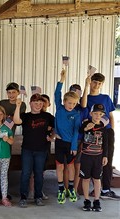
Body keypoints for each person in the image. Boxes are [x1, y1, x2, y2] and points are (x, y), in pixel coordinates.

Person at [14, 94, 54, 208]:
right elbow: (16, 121)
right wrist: (17, 106)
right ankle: (23, 198)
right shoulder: (26, 116)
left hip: (41, 150)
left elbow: (57, 126)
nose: (38, 105)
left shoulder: (47, 116)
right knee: (25, 174)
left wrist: (52, 137)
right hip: (27, 149)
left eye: (40, 103)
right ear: (31, 103)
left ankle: (38, 197)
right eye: (36, 103)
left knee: (39, 174)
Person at [83, 73, 119, 200]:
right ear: (90, 82)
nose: (96, 85)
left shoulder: (105, 98)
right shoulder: (85, 98)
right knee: (93, 160)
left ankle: (105, 190)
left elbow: (110, 116)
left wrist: (111, 131)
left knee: (107, 159)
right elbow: (83, 108)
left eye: (99, 83)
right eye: (94, 82)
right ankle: (94, 188)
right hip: (92, 134)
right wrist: (86, 86)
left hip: (106, 132)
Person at [54, 69, 82, 204]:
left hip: (71, 144)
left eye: (74, 103)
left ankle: (71, 188)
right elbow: (56, 93)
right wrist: (62, 80)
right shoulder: (59, 108)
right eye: (69, 102)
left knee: (70, 167)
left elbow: (77, 131)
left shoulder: (76, 114)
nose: (72, 105)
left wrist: (74, 146)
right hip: (59, 143)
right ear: (64, 102)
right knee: (60, 167)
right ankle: (61, 189)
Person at [80, 104, 109, 212]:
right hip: (86, 156)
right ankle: (87, 200)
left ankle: (96, 201)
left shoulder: (103, 127)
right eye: (95, 113)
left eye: (100, 114)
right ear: (91, 113)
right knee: (86, 178)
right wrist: (86, 128)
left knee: (97, 179)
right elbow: (80, 131)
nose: (97, 116)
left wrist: (105, 156)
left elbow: (105, 143)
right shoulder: (85, 124)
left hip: (98, 157)